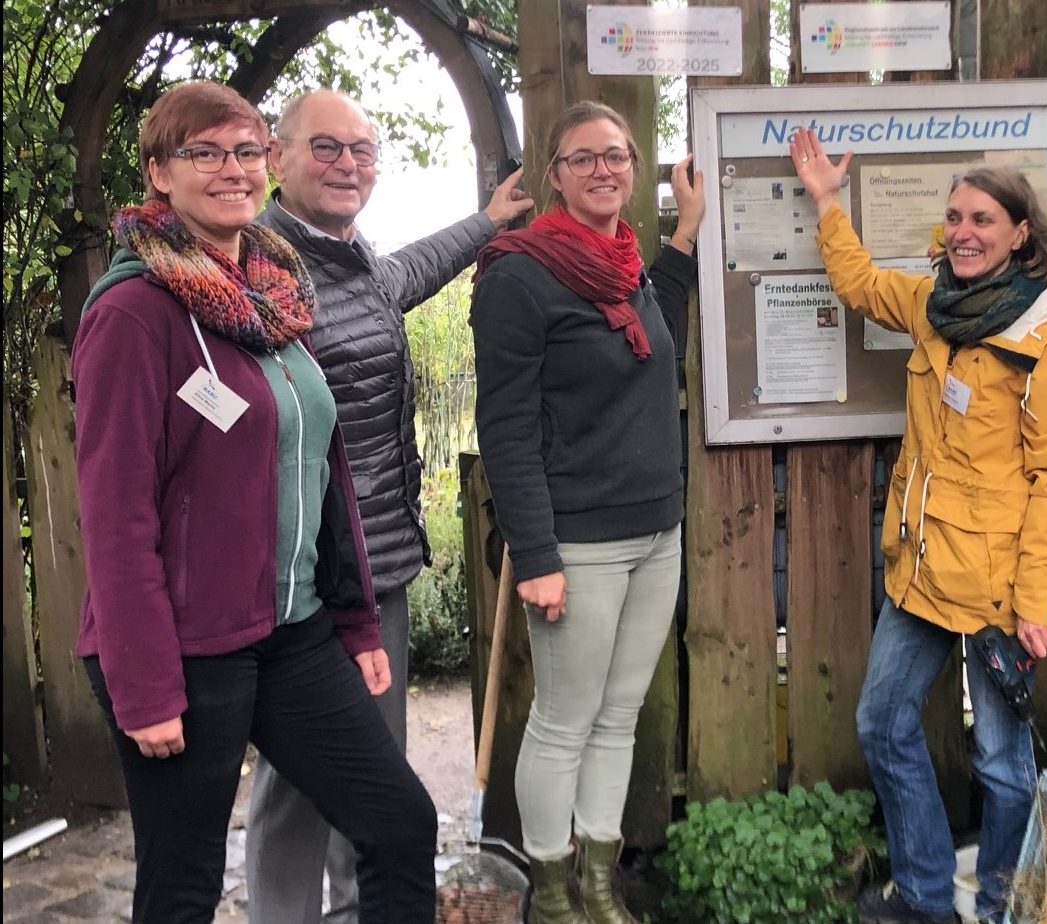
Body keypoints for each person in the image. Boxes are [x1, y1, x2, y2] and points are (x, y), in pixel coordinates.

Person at [71, 80, 437, 924]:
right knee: (183, 887)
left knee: (397, 822)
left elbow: (326, 465)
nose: (230, 169)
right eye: (204, 153)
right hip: (187, 647)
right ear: (160, 172)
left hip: (293, 631)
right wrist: (146, 683)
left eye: (246, 151)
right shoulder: (133, 314)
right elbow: (115, 513)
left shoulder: (275, 295)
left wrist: (351, 620)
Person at [790, 130, 1047, 924]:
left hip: (1000, 593)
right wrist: (827, 198)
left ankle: (1001, 909)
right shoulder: (936, 308)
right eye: (956, 216)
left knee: (1000, 765)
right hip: (922, 571)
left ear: (1021, 232)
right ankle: (927, 897)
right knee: (883, 723)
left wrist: (1036, 601)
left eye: (984, 219)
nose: (963, 231)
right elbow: (859, 285)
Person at [245, 89, 535, 923]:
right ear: (280, 157)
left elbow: (399, 278)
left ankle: (354, 911)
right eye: (326, 148)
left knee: (370, 765)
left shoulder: (351, 257)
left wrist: (486, 221)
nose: (348, 165)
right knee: (297, 780)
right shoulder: (259, 269)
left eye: (363, 151)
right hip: (299, 575)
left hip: (381, 569)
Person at [469, 100, 704, 924]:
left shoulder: (626, 266)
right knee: (565, 722)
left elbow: (652, 333)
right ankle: (553, 890)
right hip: (578, 542)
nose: (604, 170)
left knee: (620, 714)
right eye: (583, 158)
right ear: (554, 175)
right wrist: (534, 554)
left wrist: (688, 236)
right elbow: (501, 425)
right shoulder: (519, 276)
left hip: (656, 533)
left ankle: (600, 884)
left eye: (617, 156)